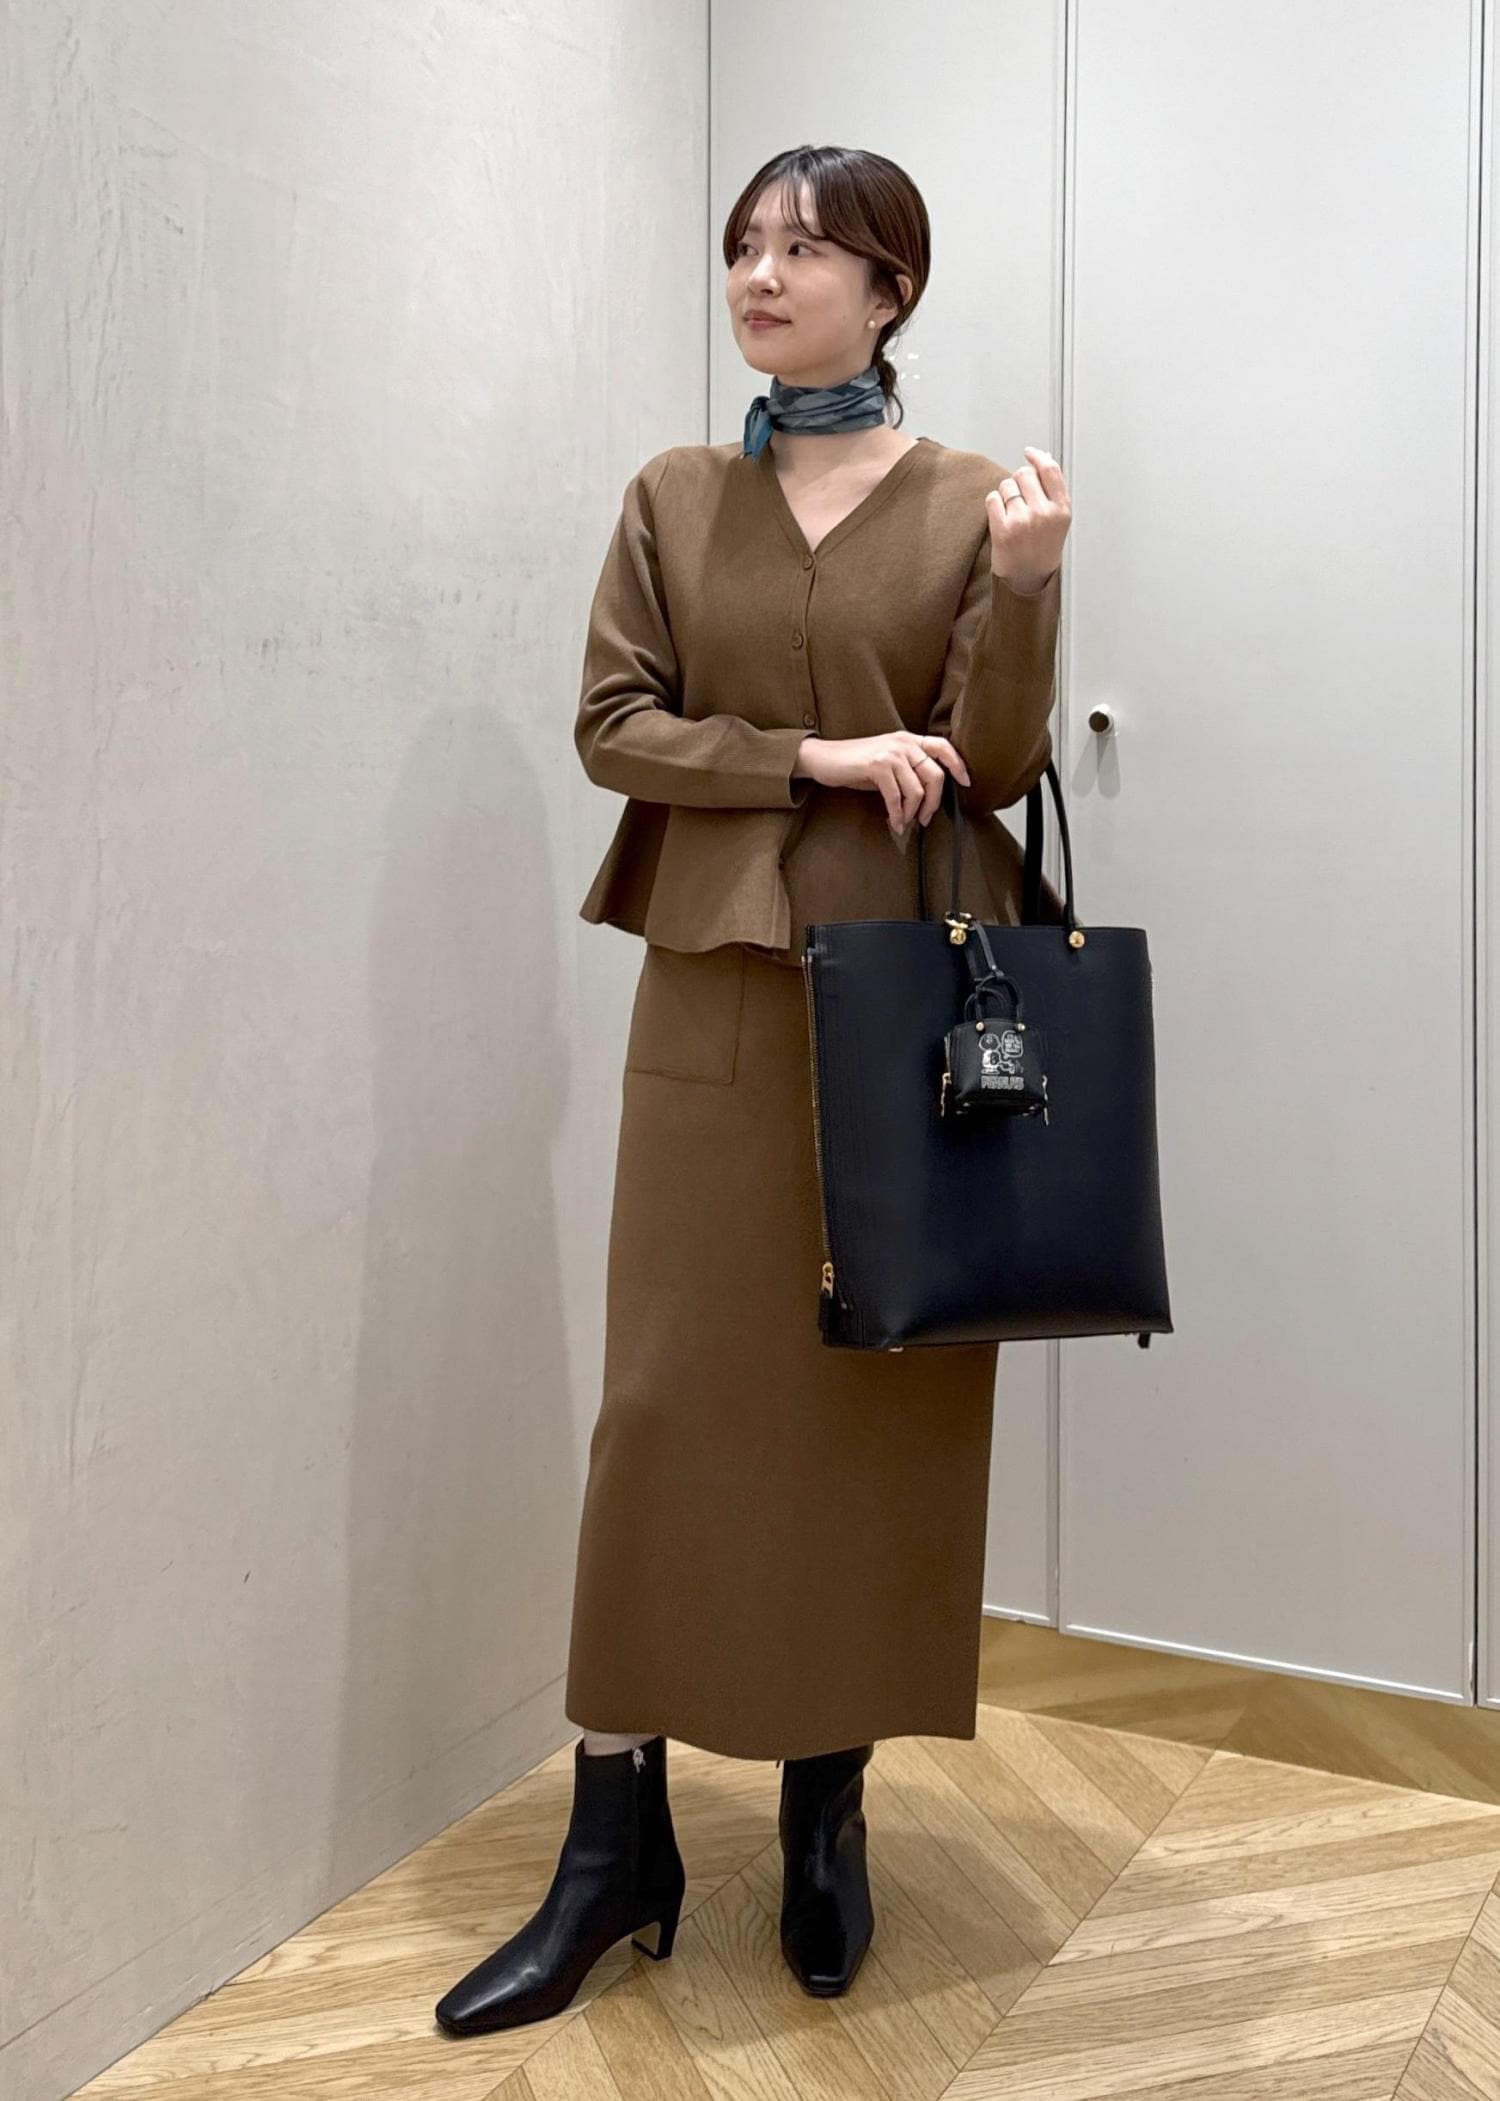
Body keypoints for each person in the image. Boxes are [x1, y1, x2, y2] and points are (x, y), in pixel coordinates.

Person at [436, 143, 1071, 2039]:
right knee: (663, 1411)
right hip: (712, 992)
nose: (761, 276)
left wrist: (1029, 587)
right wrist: (809, 755)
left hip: (904, 1019)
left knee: (864, 1404)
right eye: (743, 247)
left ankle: (824, 1806)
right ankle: (612, 1836)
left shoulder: (972, 498)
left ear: (892, 289)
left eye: (805, 249)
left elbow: (996, 757)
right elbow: (613, 724)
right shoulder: (673, 494)